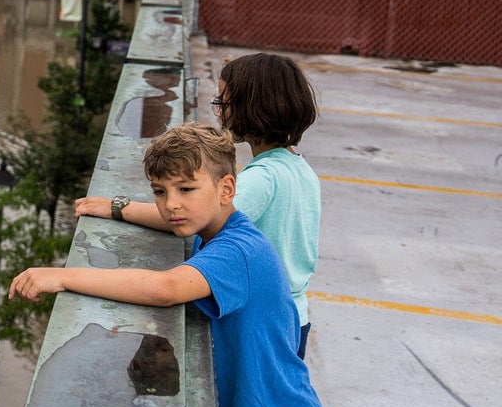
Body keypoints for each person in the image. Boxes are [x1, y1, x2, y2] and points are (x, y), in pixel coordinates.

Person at [10, 123, 329, 407]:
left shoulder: (239, 252)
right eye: (160, 191)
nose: (171, 204)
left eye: (186, 189)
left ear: (226, 189)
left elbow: (165, 288)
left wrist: (63, 276)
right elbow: (178, 224)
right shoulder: (218, 233)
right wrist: (117, 209)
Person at [74, 53, 321, 358]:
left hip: (267, 324)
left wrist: (119, 208)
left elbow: (193, 217)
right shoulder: (299, 168)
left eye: (224, 102)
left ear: (252, 107)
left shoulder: (264, 178)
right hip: (295, 314)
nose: (218, 110)